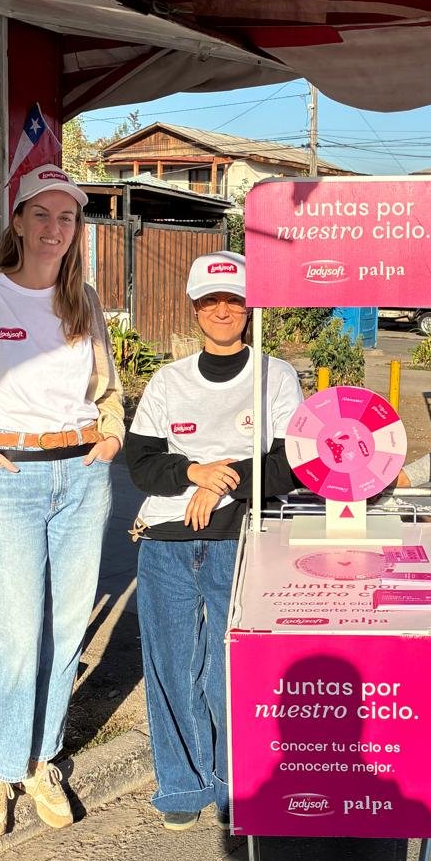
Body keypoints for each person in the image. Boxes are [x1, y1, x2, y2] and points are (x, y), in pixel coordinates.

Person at [0, 165, 124, 837]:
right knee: (13, 635)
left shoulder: (84, 299)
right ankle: (0, 768)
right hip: (6, 478)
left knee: (66, 630)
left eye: (67, 219)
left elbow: (108, 389)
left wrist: (111, 435)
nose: (54, 229)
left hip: (81, 477)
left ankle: (42, 760)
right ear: (18, 221)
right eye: (42, 215)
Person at [126, 252, 303, 830]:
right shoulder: (168, 380)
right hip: (166, 543)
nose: (222, 311)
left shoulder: (276, 376)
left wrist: (221, 480)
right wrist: (194, 475)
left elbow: (289, 465)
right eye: (210, 301)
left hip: (241, 539)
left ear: (249, 307)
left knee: (233, 669)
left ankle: (235, 782)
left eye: (233, 300)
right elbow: (143, 464)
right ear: (196, 309)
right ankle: (182, 785)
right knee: (172, 667)